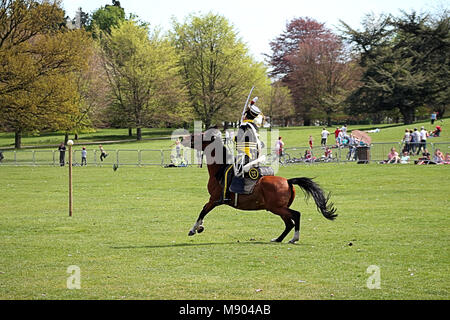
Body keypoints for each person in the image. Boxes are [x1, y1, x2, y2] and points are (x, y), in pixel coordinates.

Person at [229, 96, 265, 197]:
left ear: (246, 115)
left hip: (245, 156)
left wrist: (233, 137)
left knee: (229, 169)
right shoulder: (254, 126)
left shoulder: (244, 126)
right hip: (255, 156)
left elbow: (238, 140)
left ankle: (234, 191)